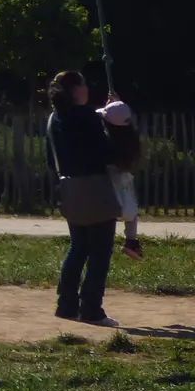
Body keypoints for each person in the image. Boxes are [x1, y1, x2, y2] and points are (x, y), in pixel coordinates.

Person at [47, 69, 119, 324]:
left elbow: (50, 160)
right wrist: (114, 119)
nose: (87, 88)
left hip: (69, 191)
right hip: (95, 189)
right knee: (100, 251)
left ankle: (66, 305)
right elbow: (105, 152)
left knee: (78, 247)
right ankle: (91, 309)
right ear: (75, 89)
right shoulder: (86, 116)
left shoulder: (53, 120)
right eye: (84, 84)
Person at [98, 97, 144, 261]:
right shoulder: (131, 138)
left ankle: (107, 245)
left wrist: (109, 107)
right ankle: (131, 241)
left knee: (110, 213)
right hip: (124, 178)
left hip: (107, 181)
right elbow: (125, 118)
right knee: (131, 210)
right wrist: (114, 105)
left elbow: (97, 119)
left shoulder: (105, 140)